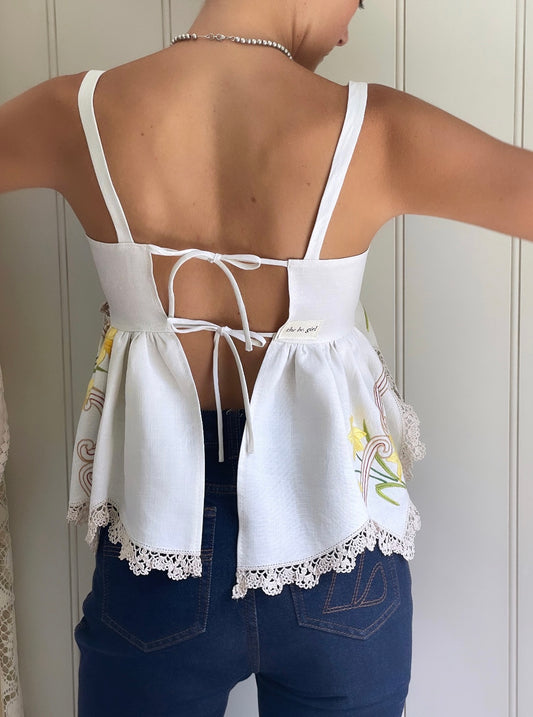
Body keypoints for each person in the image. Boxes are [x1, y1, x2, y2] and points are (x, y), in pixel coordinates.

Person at [1, 1, 532, 715]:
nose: (346, 30)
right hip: (339, 551)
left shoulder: (78, 111)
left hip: (157, 548)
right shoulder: (373, 126)